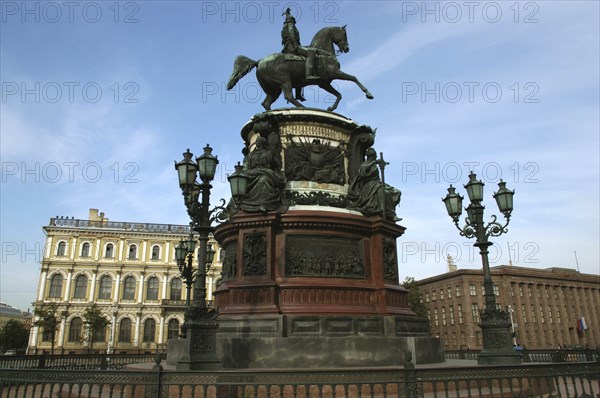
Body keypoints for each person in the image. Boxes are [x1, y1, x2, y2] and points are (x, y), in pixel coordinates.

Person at [346, 148, 401, 220]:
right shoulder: (365, 164)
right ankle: (389, 214)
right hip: (369, 185)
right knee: (385, 192)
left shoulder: (374, 165)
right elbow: (362, 173)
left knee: (396, 192)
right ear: (372, 156)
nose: (375, 157)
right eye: (374, 156)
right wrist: (374, 162)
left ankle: (391, 213)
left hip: (377, 183)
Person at [239, 136, 286, 212]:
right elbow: (247, 168)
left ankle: (263, 204)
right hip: (253, 173)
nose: (257, 142)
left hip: (265, 173)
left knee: (263, 180)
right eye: (257, 141)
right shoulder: (251, 155)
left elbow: (276, 165)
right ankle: (244, 202)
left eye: (259, 141)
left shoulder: (268, 153)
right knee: (242, 182)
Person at [281, 8, 318, 82]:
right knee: (311, 53)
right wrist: (295, 45)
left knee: (310, 49)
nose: (294, 22)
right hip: (291, 46)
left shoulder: (284, 27)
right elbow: (292, 35)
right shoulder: (290, 25)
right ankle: (308, 75)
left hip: (289, 45)